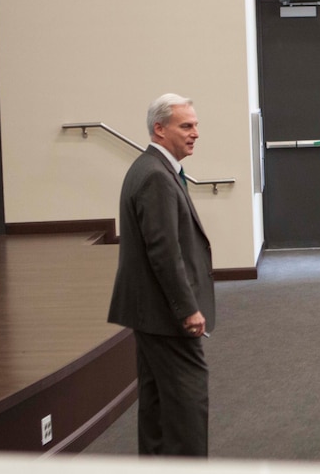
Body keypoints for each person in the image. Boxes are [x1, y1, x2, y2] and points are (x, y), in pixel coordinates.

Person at [107, 93, 215, 457]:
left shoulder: (155, 168)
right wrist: (188, 309)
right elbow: (164, 253)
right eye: (186, 125)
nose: (195, 133)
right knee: (187, 406)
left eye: (196, 125)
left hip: (152, 312)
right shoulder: (155, 176)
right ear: (159, 129)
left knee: (155, 406)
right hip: (166, 315)